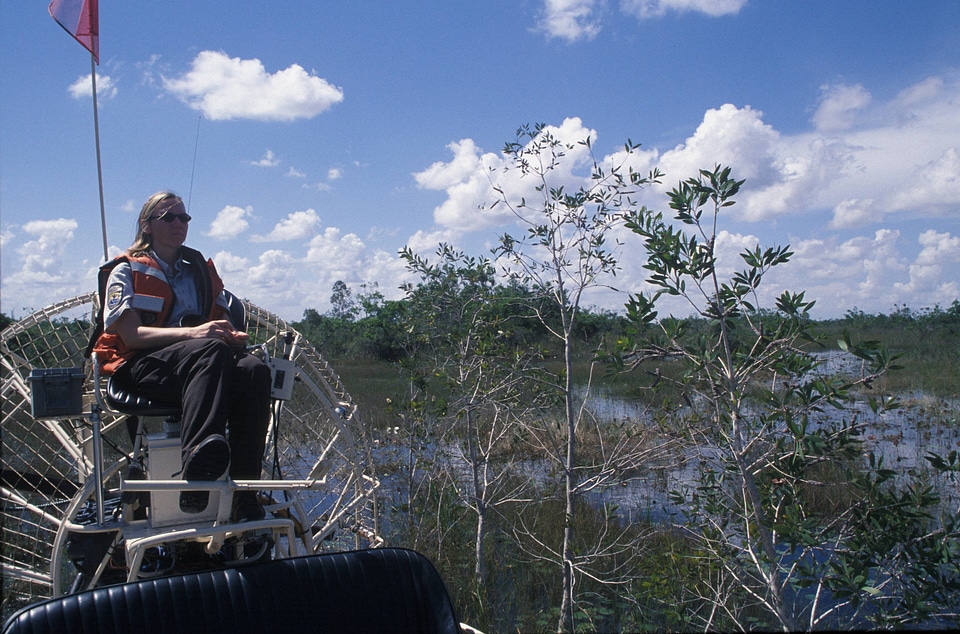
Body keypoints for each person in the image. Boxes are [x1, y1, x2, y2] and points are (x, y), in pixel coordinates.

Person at [92, 191, 270, 522]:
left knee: (254, 370)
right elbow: (131, 336)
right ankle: (197, 473)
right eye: (169, 217)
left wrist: (229, 335)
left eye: (183, 218)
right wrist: (196, 334)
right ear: (147, 226)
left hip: (204, 362)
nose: (179, 224)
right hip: (144, 366)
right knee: (209, 348)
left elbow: (219, 323)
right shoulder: (125, 271)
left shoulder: (199, 271)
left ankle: (245, 495)